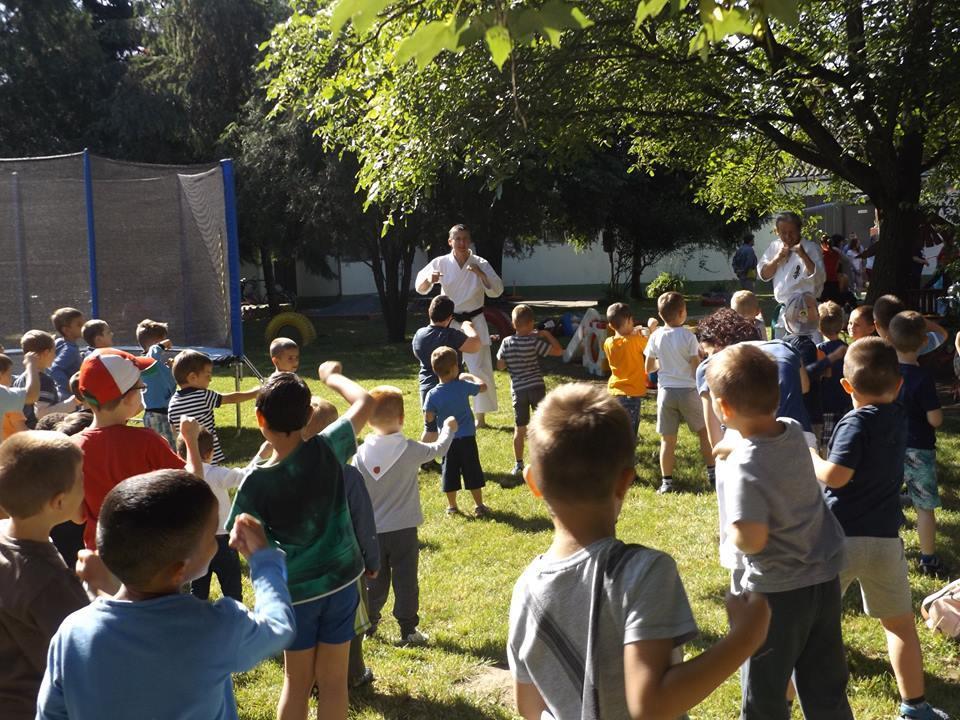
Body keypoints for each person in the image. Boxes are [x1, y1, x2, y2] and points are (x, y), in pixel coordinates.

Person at [507, 382, 771, 720]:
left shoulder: (525, 589)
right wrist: (744, 639)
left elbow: (529, 708)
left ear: (533, 483)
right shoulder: (644, 572)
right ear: (625, 481)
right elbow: (651, 706)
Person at [36, 470, 296, 720]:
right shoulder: (216, 627)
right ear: (179, 570)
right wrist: (264, 561)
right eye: (211, 536)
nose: (217, 543)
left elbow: (51, 714)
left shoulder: (72, 632)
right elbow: (278, 628)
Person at [706, 344, 851, 720]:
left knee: (764, 695)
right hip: (822, 581)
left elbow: (752, 539)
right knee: (825, 687)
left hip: (774, 595)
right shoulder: (791, 432)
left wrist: (737, 530)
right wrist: (734, 441)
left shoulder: (744, 467)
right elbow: (761, 436)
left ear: (723, 409)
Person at [809, 338, 949, 720]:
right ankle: (915, 705)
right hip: (886, 539)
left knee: (810, 627)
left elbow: (836, 477)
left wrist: (812, 458)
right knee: (900, 625)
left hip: (840, 539)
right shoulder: (900, 416)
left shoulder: (854, 422)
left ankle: (786, 700)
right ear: (900, 385)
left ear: (845, 385)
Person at [226, 365, 374, 720]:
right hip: (341, 584)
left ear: (259, 418)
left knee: (297, 681)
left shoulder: (254, 483)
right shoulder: (328, 448)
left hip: (294, 594)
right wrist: (332, 376)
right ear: (309, 416)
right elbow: (365, 401)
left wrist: (257, 463)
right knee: (335, 682)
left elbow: (237, 535)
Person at [353, 386, 455, 647]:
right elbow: (438, 450)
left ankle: (369, 623)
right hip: (404, 530)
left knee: (373, 579)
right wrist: (449, 429)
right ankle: (408, 629)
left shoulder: (359, 455)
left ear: (367, 421)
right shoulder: (409, 449)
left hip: (371, 531)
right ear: (401, 418)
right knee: (405, 579)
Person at [74, 348, 204, 549]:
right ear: (127, 398)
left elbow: (77, 516)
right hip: (147, 558)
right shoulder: (146, 442)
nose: (143, 391)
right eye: (141, 387)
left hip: (100, 559)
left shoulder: (72, 448)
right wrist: (191, 440)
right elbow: (194, 487)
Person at [0, 431, 89, 720]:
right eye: (81, 478)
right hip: (32, 707)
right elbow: (92, 648)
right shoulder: (50, 583)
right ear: (59, 502)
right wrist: (101, 588)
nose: (85, 483)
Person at [415, 224, 504, 428]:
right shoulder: (441, 262)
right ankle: (442, 409)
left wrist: (481, 275)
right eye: (458, 239)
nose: (462, 243)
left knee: (479, 367)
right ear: (450, 241)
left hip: (474, 320)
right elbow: (420, 286)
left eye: (465, 239)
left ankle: (480, 418)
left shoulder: (480, 262)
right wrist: (430, 279)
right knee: (445, 366)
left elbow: (497, 290)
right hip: (449, 321)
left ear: (469, 241)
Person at [695, 309, 812, 450]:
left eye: (708, 353)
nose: (708, 358)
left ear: (718, 345)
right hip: (801, 439)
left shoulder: (710, 366)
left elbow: (715, 439)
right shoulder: (784, 348)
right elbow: (804, 387)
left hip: (746, 447)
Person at [888, 311, 946, 577]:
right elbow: (934, 419)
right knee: (924, 507)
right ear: (924, 342)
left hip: (889, 447)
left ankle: (889, 550)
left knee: (887, 499)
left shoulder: (886, 374)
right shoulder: (922, 378)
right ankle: (928, 558)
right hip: (919, 449)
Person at [176, 428, 262, 603]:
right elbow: (244, 476)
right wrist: (260, 455)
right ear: (210, 453)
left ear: (180, 453)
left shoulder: (180, 476)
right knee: (233, 591)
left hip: (197, 542)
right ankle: (237, 621)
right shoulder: (216, 474)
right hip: (223, 541)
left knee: (198, 592)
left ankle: (199, 621)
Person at [644, 292, 713, 493]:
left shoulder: (656, 336)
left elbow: (648, 368)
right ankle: (712, 472)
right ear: (682, 313)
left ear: (660, 314)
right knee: (703, 433)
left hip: (666, 393)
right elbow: (695, 368)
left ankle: (666, 482)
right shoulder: (688, 336)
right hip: (688, 391)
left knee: (667, 439)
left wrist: (664, 363)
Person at [496, 304, 563, 477]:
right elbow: (558, 351)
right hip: (536, 387)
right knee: (544, 424)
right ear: (532, 323)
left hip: (518, 390)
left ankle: (518, 464)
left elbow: (501, 366)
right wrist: (547, 334)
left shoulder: (506, 342)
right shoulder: (534, 342)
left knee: (520, 429)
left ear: (513, 324)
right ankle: (548, 460)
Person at [424, 347, 490, 517]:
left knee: (449, 473)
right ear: (454, 368)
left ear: (434, 369)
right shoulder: (462, 386)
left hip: (448, 440)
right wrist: (470, 376)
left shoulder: (432, 394)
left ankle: (452, 507)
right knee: (472, 471)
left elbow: (429, 418)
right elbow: (483, 387)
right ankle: (479, 505)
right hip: (467, 438)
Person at [168, 349, 260, 465]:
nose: (210, 379)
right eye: (207, 375)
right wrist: (254, 393)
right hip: (208, 455)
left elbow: (174, 432)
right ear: (192, 377)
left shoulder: (172, 402)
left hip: (187, 458)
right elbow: (231, 398)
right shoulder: (203, 396)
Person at [411, 295, 480, 442]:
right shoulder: (451, 336)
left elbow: (417, 354)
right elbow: (476, 345)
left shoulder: (419, 334)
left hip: (427, 387)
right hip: (451, 389)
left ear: (429, 312)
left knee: (430, 428)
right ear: (450, 318)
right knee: (455, 426)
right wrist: (468, 327)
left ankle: (426, 460)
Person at [756, 212, 826, 337]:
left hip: (805, 308)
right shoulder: (774, 247)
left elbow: (820, 278)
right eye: (783, 232)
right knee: (782, 351)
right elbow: (764, 275)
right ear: (777, 231)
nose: (788, 236)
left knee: (807, 349)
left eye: (792, 232)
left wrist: (803, 256)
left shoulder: (811, 248)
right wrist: (777, 258)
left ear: (799, 230)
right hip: (783, 310)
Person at [603, 302, 658, 439]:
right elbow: (651, 347)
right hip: (631, 395)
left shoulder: (608, 343)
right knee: (629, 434)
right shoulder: (635, 341)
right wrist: (651, 329)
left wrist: (632, 333)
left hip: (614, 392)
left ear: (611, 325)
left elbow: (622, 340)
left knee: (616, 430)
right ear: (629, 321)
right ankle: (627, 458)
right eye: (632, 321)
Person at [11, 330, 78, 429]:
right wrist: (73, 402)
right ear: (46, 352)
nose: (55, 356)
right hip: (40, 434)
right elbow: (42, 414)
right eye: (54, 352)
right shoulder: (44, 380)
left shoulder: (19, 380)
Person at [815, 301, 852, 449]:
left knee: (826, 447)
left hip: (825, 406)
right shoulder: (849, 349)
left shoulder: (818, 350)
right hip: (846, 403)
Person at [136, 319, 177, 446]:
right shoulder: (146, 363)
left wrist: (169, 368)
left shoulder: (155, 365)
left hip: (166, 413)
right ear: (155, 342)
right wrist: (159, 346)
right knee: (164, 447)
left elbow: (166, 382)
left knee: (173, 446)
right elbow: (152, 357)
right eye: (163, 339)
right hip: (156, 415)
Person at [873, 295, 947, 356]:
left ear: (876, 325)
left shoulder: (871, 351)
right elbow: (942, 334)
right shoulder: (913, 344)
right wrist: (915, 316)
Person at [0, 351, 40, 442]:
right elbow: (23, 432)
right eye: (9, 374)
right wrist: (31, 365)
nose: (12, 379)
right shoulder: (9, 402)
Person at [49, 307, 84, 401]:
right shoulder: (70, 350)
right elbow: (55, 368)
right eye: (79, 325)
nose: (83, 326)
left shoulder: (59, 342)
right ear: (66, 330)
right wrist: (69, 386)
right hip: (68, 396)